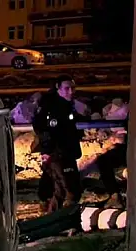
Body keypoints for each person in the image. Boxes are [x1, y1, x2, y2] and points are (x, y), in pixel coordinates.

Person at [33, 75, 85, 214]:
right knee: (69, 189)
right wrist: (48, 149)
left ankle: (53, 215)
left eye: (73, 88)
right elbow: (42, 128)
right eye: (67, 88)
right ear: (58, 88)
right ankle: (61, 217)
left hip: (65, 152)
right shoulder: (51, 106)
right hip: (58, 152)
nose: (71, 92)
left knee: (61, 188)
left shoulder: (66, 104)